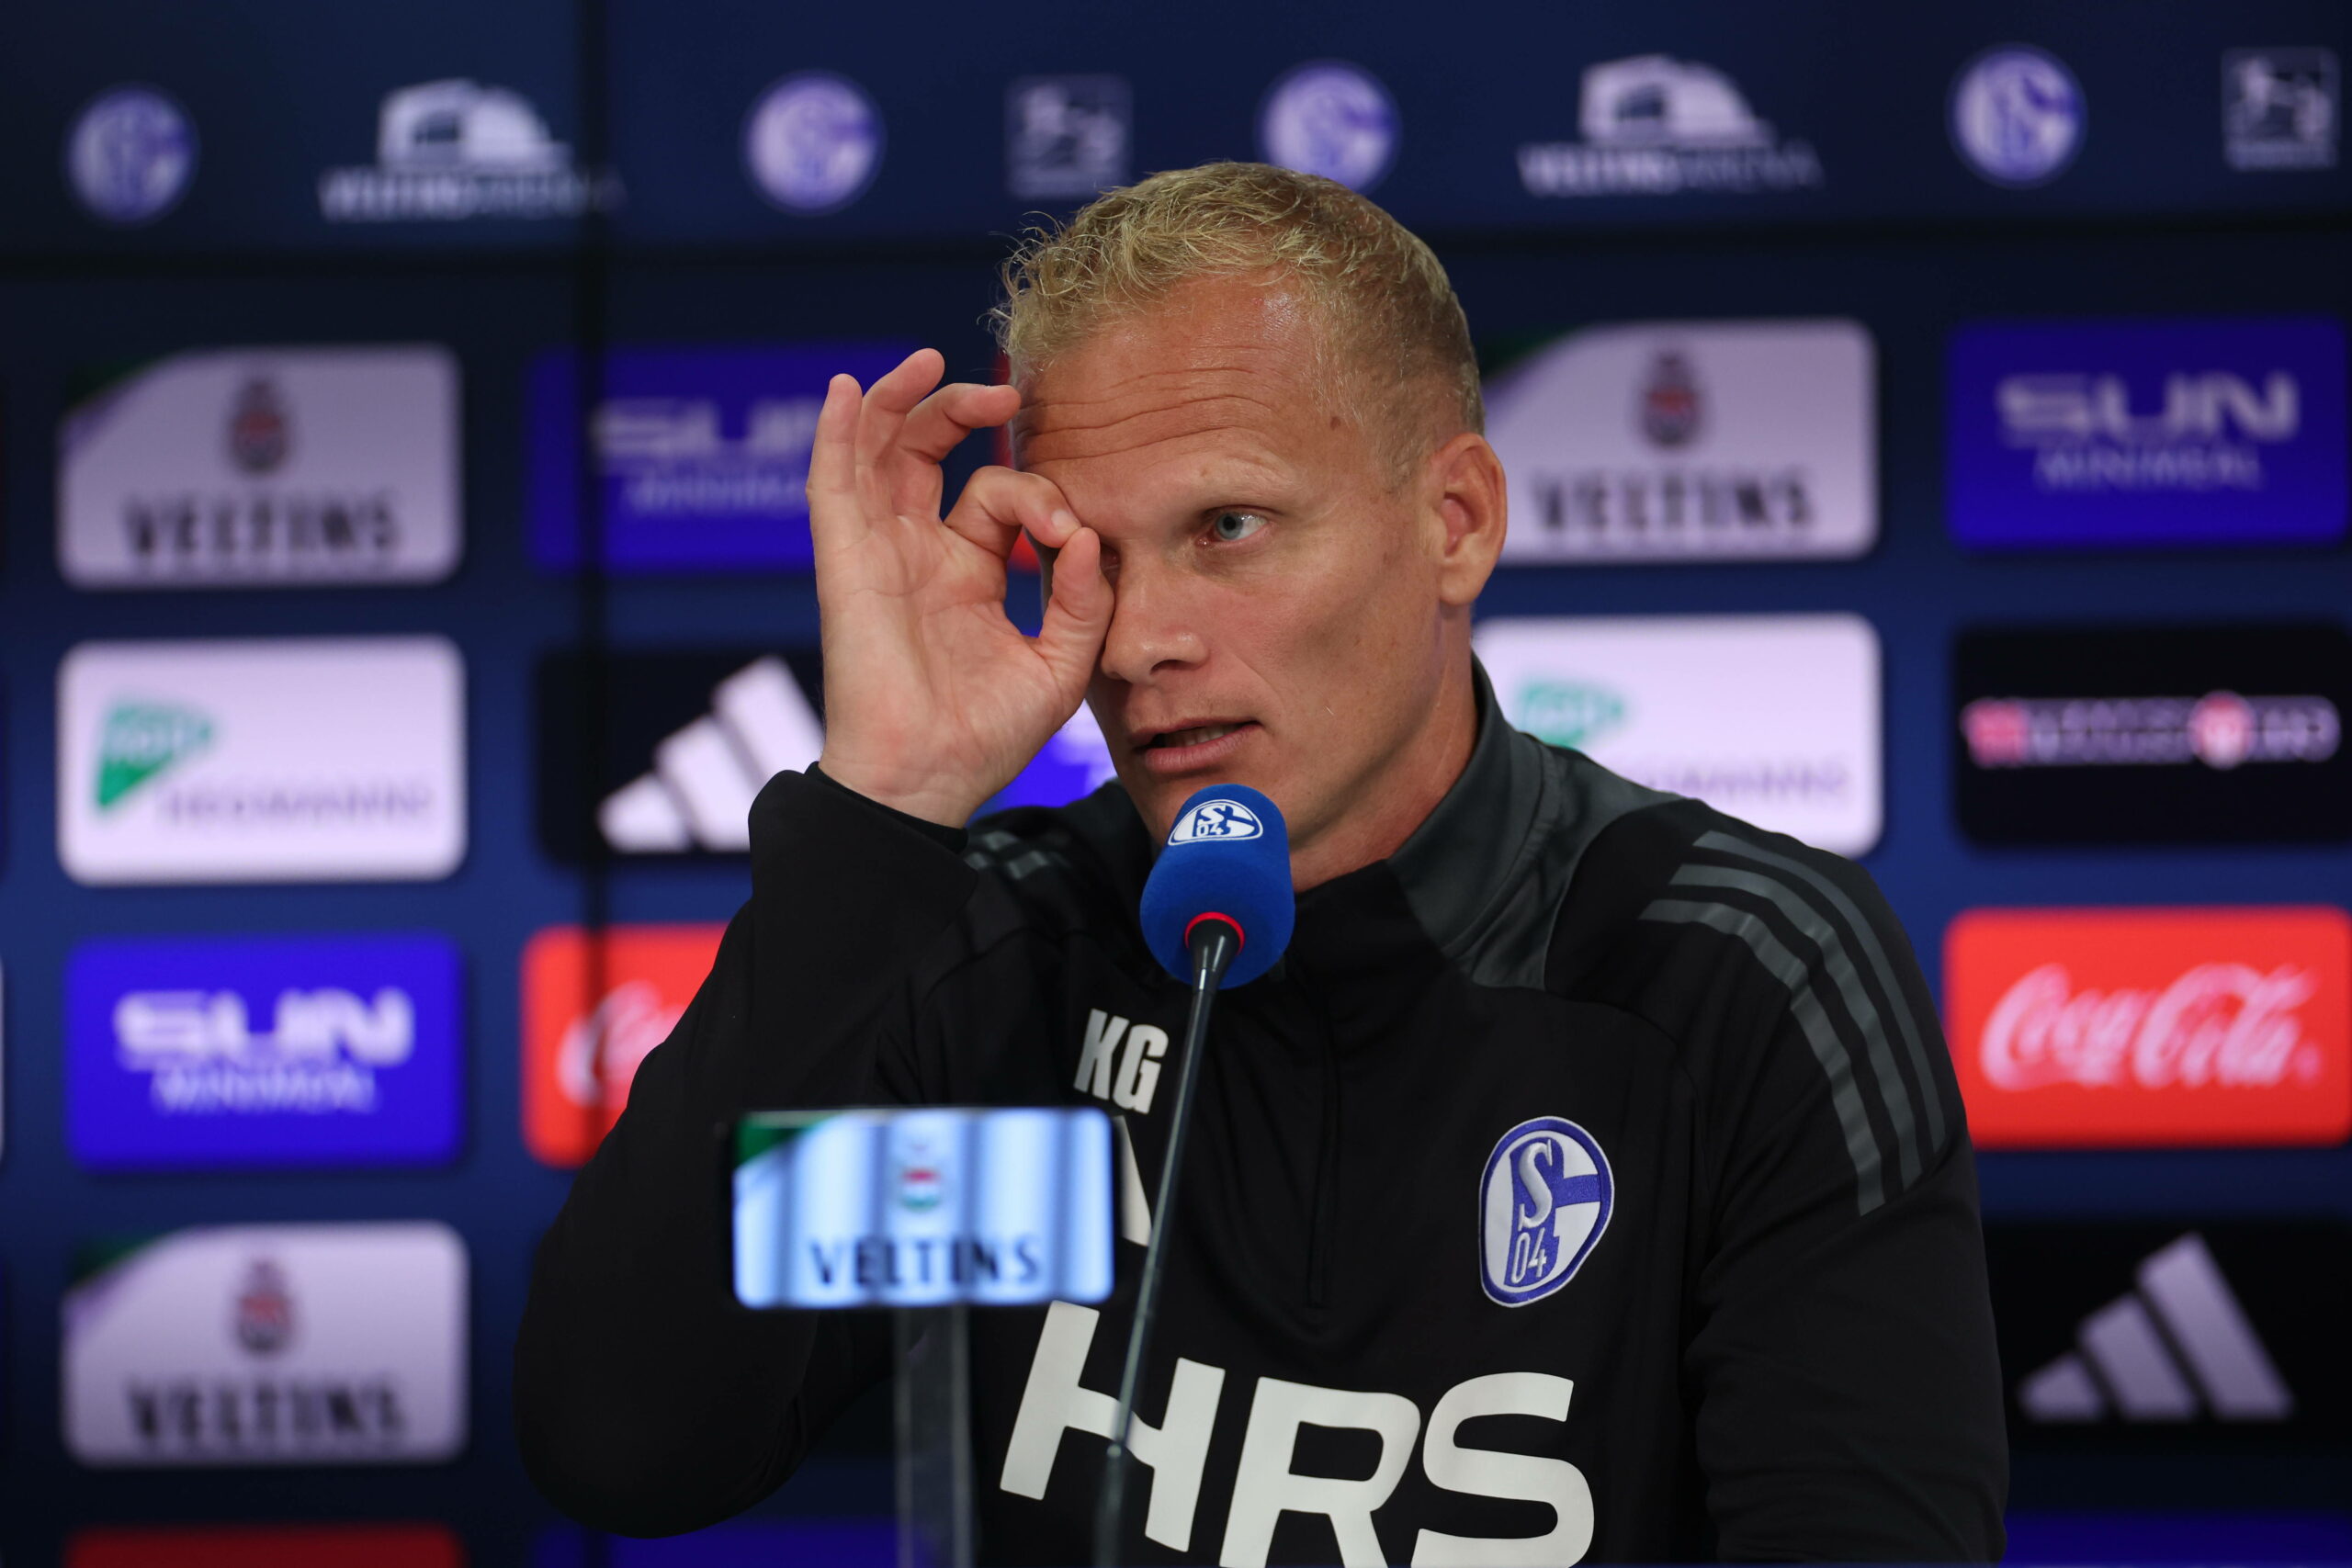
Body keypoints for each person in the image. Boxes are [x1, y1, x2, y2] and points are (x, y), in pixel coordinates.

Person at [516, 161, 2006, 1564]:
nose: (1145, 637)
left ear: (1455, 522)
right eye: (1089, 556)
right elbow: (630, 1447)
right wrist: (884, 802)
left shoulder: (1722, 974)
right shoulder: (1005, 963)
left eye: (1228, 526)